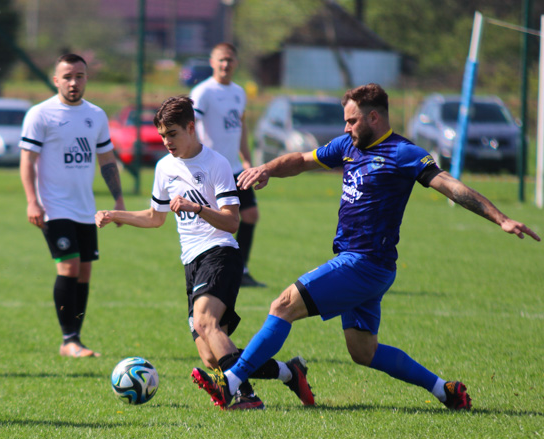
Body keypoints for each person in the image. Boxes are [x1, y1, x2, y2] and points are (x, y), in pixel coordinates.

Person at [193, 83, 540, 411]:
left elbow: (449, 185)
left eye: (352, 120)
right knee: (364, 351)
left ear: (375, 117)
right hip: (365, 265)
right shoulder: (349, 147)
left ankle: (231, 381)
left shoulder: (403, 153)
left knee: (282, 305)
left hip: (364, 263)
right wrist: (265, 168)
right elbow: (301, 160)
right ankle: (445, 390)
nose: (346, 128)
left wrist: (501, 218)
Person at [96, 96, 313, 410]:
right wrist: (117, 215)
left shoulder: (216, 164)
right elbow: (156, 218)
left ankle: (246, 396)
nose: (167, 141)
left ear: (190, 127)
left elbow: (232, 221)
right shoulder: (164, 168)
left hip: (220, 253)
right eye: (162, 136)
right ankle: (288, 372)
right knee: (211, 355)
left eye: (173, 133)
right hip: (192, 264)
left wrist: (195, 207)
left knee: (205, 323)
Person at [20, 53, 125, 358]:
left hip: (85, 208)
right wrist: (32, 201)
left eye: (79, 76)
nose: (73, 82)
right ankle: (69, 341)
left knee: (84, 273)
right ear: (56, 80)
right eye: (67, 77)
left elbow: (106, 158)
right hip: (53, 208)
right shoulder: (41, 114)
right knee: (69, 266)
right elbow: (27, 160)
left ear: (86, 79)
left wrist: (118, 198)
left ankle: (75, 338)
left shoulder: (96, 115)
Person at [190, 43, 264, 288]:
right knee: (219, 223)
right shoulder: (203, 92)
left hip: (235, 168)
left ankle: (240, 269)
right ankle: (213, 272)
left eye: (230, 59)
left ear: (236, 63)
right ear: (212, 62)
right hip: (213, 170)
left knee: (250, 215)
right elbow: (191, 128)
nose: (225, 64)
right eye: (221, 59)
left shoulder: (239, 92)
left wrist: (247, 161)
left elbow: (241, 127)